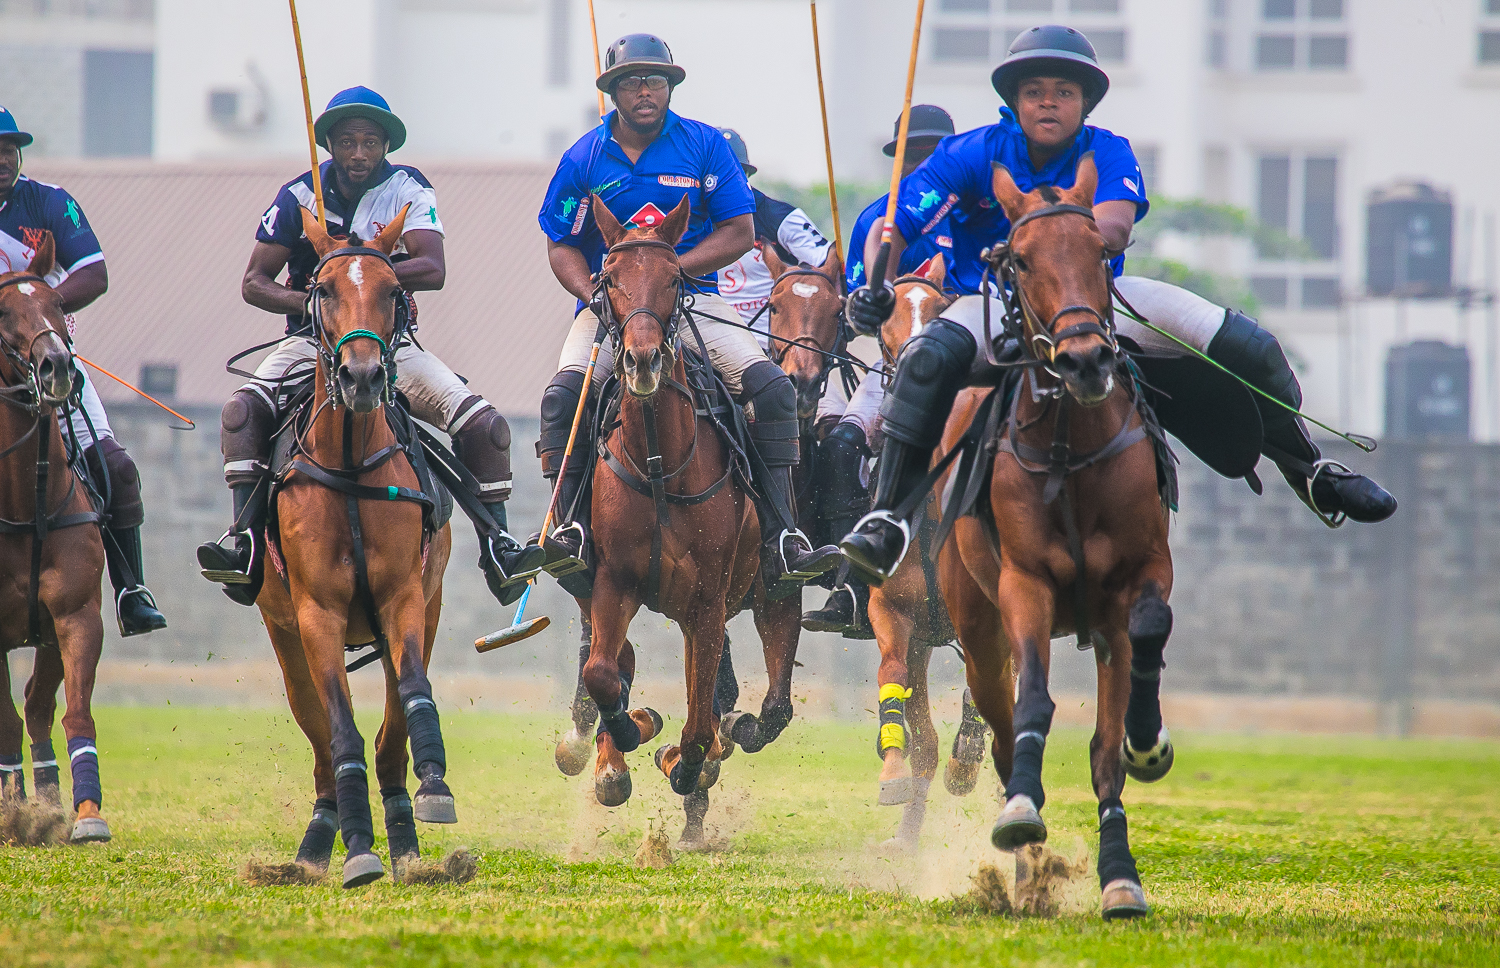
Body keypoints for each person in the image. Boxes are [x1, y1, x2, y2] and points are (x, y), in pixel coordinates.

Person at [840, 26, 1396, 582]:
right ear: (1015, 101)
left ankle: (1310, 470)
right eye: (1035, 91)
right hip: (992, 300)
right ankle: (889, 519)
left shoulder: (1108, 151)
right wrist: (877, 286)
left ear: (1085, 102)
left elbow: (1114, 227)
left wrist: (1050, 233)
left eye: (1064, 91)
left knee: (1250, 344)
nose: (1048, 102)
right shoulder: (971, 152)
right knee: (925, 360)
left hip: (1094, 298)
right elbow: (895, 224)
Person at [196, 86, 542, 606]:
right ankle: (243, 544)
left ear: (386, 146)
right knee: (241, 413)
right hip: (313, 343)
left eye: (371, 143)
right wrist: (314, 303)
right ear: (330, 145)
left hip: (389, 346)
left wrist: (365, 275)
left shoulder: (408, 188)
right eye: (348, 142)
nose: (359, 153)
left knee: (486, 426)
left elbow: (433, 267)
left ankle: (499, 547)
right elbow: (254, 282)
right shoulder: (298, 195)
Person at [536, 34, 840, 598]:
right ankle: (568, 530)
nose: (644, 91)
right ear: (613, 92)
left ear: (670, 87)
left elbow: (739, 231)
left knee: (773, 390)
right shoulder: (584, 157)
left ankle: (782, 536)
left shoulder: (703, 146)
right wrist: (592, 291)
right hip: (610, 308)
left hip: (694, 299)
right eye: (631, 82)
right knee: (562, 397)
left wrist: (670, 270)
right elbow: (561, 244)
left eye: (655, 80)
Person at [0, 106, 166, 637]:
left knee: (116, 468)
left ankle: (131, 591)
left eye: (9, 149)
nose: (3, 159)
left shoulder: (50, 203)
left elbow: (94, 274)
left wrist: (35, 310)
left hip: (46, 363)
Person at [802, 105, 958, 636]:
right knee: (842, 446)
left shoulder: (975, 211)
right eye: (912, 155)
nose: (922, 164)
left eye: (933, 153)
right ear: (897, 161)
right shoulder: (877, 220)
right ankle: (850, 584)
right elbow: (857, 308)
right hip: (893, 361)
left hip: (967, 350)